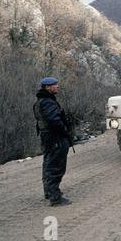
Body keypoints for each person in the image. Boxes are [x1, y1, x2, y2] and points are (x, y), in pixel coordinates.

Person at [33, 77, 72, 207]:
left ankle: (49, 192)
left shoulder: (40, 101)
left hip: (48, 137)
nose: (57, 87)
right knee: (55, 166)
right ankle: (55, 197)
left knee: (48, 164)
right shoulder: (47, 102)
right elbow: (54, 121)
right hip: (55, 138)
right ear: (48, 87)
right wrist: (65, 131)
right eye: (55, 85)